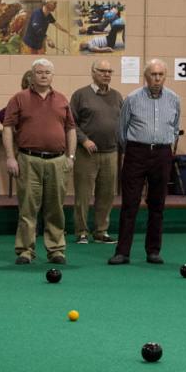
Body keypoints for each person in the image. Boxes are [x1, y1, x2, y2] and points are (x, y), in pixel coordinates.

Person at [2, 58, 76, 265]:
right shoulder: (19, 98)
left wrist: (71, 157)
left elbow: (71, 129)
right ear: (32, 75)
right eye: (39, 72)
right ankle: (25, 251)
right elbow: (7, 128)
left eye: (47, 72)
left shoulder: (62, 99)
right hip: (28, 160)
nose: (43, 75)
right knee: (27, 208)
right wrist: (10, 157)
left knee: (56, 208)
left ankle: (56, 250)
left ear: (52, 76)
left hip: (57, 161)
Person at [109, 59, 181, 265]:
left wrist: (163, 146)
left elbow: (175, 128)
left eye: (160, 75)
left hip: (162, 154)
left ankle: (153, 251)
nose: (157, 79)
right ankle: (122, 252)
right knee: (129, 204)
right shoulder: (132, 99)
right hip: (136, 153)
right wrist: (133, 150)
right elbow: (121, 130)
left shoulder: (174, 99)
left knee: (157, 205)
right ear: (146, 76)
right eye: (153, 74)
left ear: (165, 76)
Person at [70, 60, 123, 244]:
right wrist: (84, 140)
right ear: (93, 72)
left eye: (109, 71)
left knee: (107, 195)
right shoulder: (80, 95)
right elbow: (71, 123)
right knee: (83, 194)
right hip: (86, 154)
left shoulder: (117, 96)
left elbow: (122, 122)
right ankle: (81, 232)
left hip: (111, 152)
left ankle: (101, 231)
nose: (106, 74)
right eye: (102, 71)